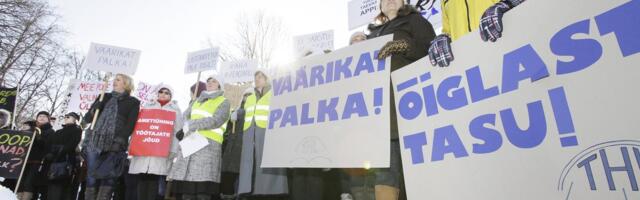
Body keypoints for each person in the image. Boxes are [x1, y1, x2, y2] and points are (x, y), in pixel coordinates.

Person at [368, 0, 436, 199]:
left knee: (416, 179)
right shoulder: (371, 34)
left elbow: (432, 50)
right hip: (380, 119)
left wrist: (406, 47)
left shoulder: (414, 21)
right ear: (380, 6)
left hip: (410, 112)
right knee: (384, 179)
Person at [168, 76, 230, 200]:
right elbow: (185, 116)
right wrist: (184, 127)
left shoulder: (223, 101)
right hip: (190, 144)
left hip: (208, 146)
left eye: (214, 81)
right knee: (187, 188)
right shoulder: (196, 101)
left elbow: (216, 120)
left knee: (202, 189)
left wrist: (190, 125)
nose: (210, 83)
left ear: (219, 85)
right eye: (208, 81)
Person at [82, 73, 141, 200]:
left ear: (126, 84)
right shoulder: (104, 96)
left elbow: (130, 124)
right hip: (94, 141)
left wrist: (119, 141)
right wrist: (94, 109)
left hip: (115, 143)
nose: (114, 81)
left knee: (108, 177)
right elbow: (87, 119)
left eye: (118, 80)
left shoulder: (133, 102)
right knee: (91, 176)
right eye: (114, 79)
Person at [428, 0, 527, 67]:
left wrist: (507, 5)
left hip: (515, 52)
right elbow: (448, 30)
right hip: (473, 67)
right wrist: (443, 37)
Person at [238, 71, 288, 199]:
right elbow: (247, 112)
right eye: (255, 77)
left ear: (267, 79)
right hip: (250, 133)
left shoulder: (275, 93)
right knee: (250, 163)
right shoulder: (250, 97)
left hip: (268, 131)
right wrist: (238, 112)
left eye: (260, 77)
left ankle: (269, 191)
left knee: (266, 161)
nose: (257, 79)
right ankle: (250, 191)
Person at [129, 85, 183, 200]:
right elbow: (139, 127)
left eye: (167, 92)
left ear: (171, 96)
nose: (163, 94)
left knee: (153, 179)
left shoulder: (175, 110)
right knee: (142, 177)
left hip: (161, 150)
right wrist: (132, 146)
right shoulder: (147, 106)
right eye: (161, 91)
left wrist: (173, 150)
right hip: (144, 148)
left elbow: (177, 132)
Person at [220, 88, 253, 200]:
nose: (247, 97)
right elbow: (226, 130)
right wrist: (231, 119)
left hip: (246, 148)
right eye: (245, 95)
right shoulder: (236, 111)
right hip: (231, 150)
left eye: (250, 95)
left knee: (242, 178)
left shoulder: (252, 111)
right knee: (229, 178)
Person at [17, 111, 56, 200]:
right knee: (20, 182)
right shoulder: (31, 128)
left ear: (48, 119)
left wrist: (38, 137)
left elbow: (48, 146)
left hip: (37, 161)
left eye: (44, 117)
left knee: (29, 182)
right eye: (40, 116)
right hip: (24, 159)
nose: (41, 118)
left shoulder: (51, 131)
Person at [45, 112, 82, 200]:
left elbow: (72, 144)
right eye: (65, 116)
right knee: (52, 185)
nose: (65, 118)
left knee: (62, 185)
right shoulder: (58, 131)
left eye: (68, 117)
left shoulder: (77, 130)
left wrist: (59, 151)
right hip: (54, 160)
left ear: (75, 120)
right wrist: (51, 153)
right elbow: (52, 143)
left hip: (66, 160)